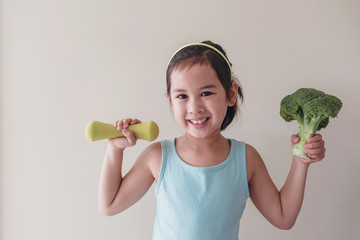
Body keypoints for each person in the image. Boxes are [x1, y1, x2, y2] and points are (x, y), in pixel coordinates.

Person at [98, 41, 326, 240]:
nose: (194, 107)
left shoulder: (246, 159)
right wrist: (115, 150)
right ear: (170, 101)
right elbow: (109, 205)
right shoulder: (157, 156)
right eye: (182, 96)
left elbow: (283, 217)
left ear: (230, 94)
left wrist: (300, 162)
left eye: (206, 93)